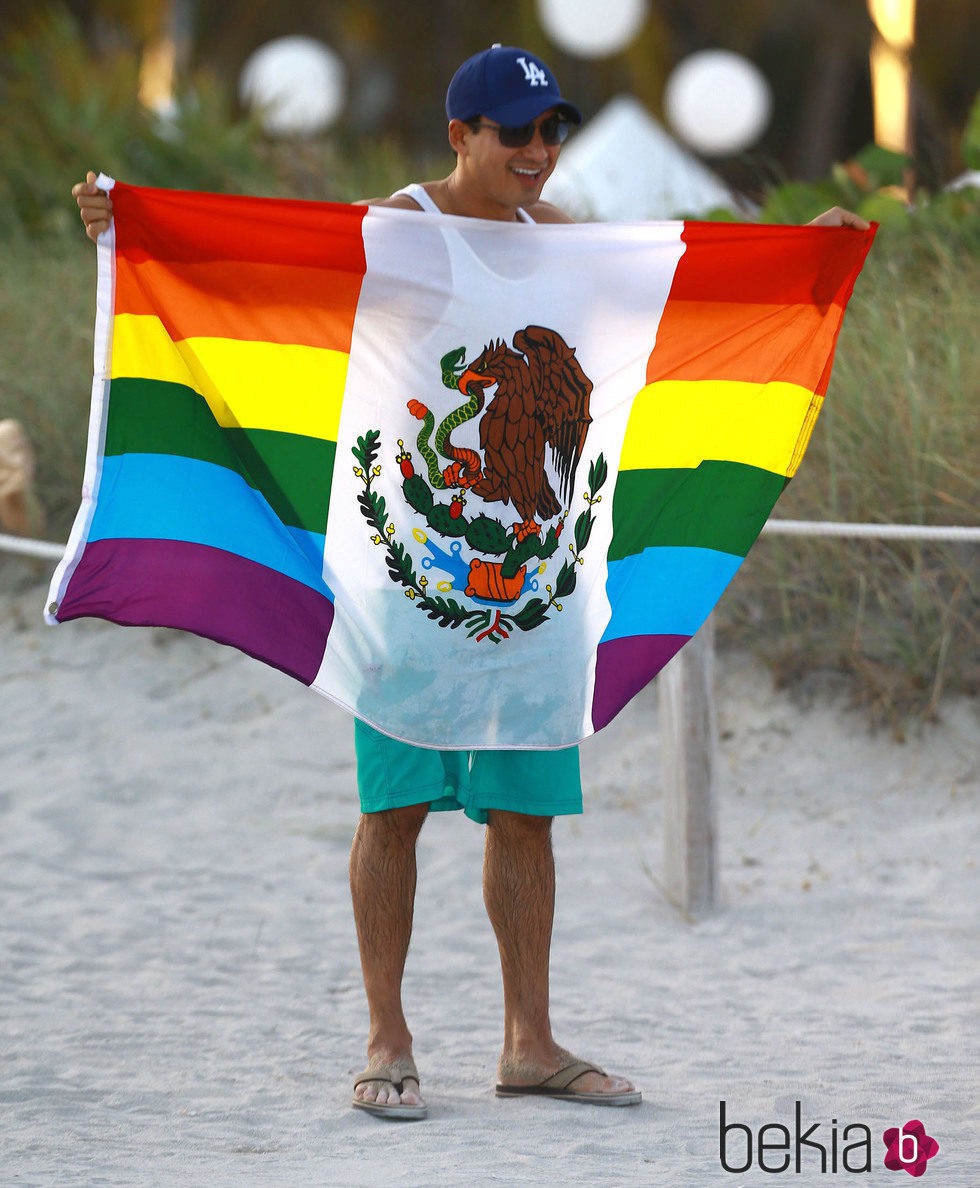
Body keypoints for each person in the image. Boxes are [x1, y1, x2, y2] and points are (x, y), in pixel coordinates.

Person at [72, 44, 869, 1123]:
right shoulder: (394, 233)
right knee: (392, 809)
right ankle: (386, 1041)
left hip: (538, 588)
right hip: (405, 586)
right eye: (514, 134)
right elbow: (255, 273)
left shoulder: (565, 249)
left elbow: (682, 285)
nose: (536, 153)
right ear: (459, 136)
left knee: (524, 818)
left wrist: (796, 260)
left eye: (550, 133)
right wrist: (132, 229)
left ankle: (528, 1044)